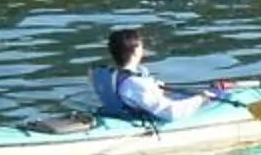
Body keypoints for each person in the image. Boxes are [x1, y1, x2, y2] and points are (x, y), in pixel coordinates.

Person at [91, 27, 219, 125]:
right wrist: (201, 98)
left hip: (119, 114)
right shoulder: (136, 84)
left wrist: (153, 88)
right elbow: (171, 113)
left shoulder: (106, 74)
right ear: (136, 51)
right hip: (138, 123)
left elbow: (132, 93)